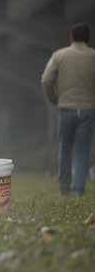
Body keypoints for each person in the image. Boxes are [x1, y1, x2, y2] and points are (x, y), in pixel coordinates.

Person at [41, 23, 95, 196]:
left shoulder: (60, 55)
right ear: (88, 39)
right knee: (82, 150)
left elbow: (46, 81)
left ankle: (64, 189)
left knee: (65, 149)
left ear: (71, 38)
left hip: (65, 109)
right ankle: (78, 190)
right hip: (87, 110)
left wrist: (55, 99)